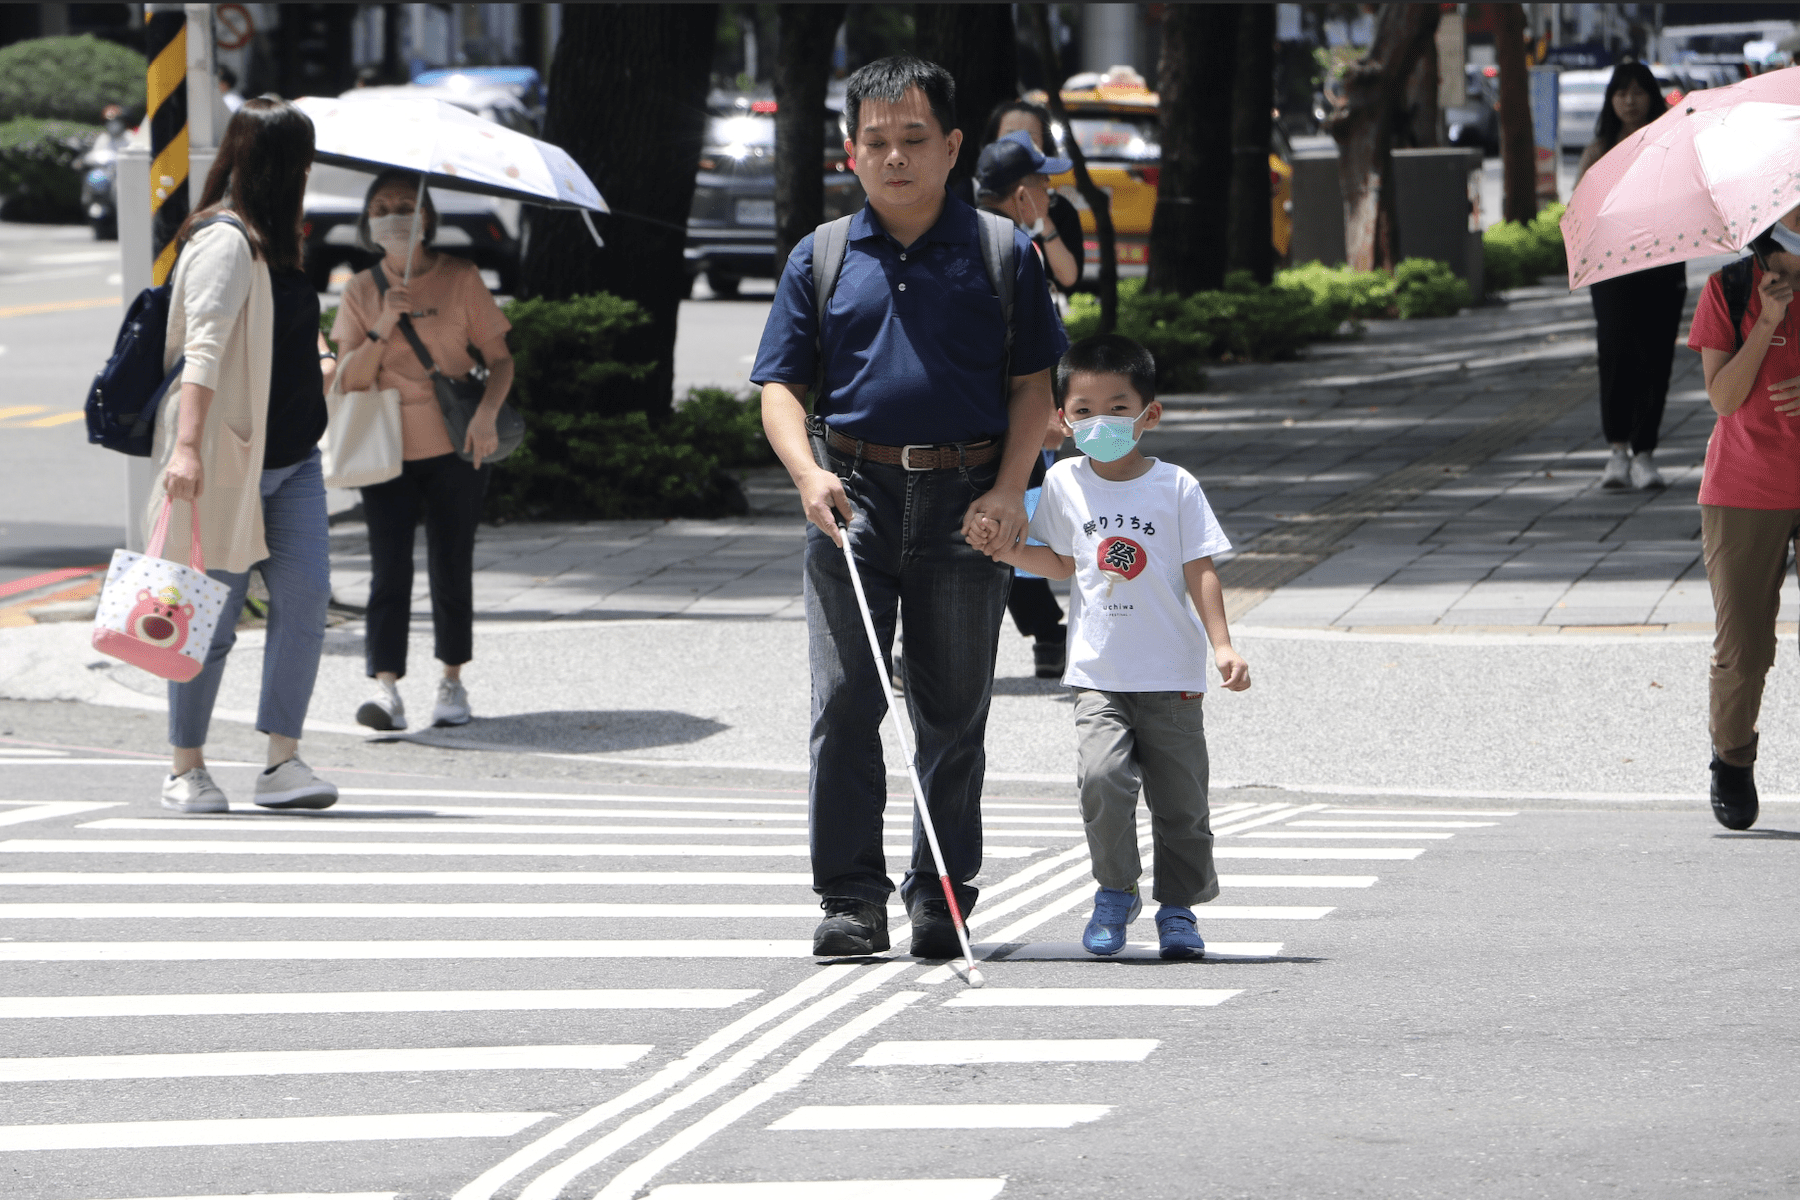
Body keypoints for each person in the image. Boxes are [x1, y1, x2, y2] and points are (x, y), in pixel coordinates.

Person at [753, 55, 1068, 958]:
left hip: (969, 501)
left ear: (953, 146)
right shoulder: (820, 255)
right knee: (847, 701)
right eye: (877, 142)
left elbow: (1032, 389)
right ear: (851, 153)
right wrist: (808, 475)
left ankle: (941, 890)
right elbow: (780, 387)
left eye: (915, 140)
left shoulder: (1000, 252)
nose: (896, 158)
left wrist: (1011, 491)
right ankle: (851, 898)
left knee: (955, 706)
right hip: (851, 498)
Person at [981, 333, 1249, 958]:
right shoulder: (1064, 483)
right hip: (1098, 672)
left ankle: (1178, 909)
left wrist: (1223, 645)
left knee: (1180, 801)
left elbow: (1199, 567)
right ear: (1063, 420)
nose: (1101, 421)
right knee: (1102, 779)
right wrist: (1006, 549)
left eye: (1118, 407)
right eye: (1084, 410)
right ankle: (1115, 889)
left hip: (1172, 673)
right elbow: (1059, 562)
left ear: (1149, 414)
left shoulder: (1175, 487)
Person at [152, 98, 338, 814]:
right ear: (281, 165)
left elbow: (294, 332)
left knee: (304, 603)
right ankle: (186, 767)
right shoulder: (225, 241)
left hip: (294, 461)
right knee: (207, 618)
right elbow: (200, 354)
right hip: (228, 463)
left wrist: (322, 355)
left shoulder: (279, 239)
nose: (309, 173)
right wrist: (189, 450)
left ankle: (281, 763)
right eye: (303, 161)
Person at [331, 170, 516, 732]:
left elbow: (500, 357)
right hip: (384, 450)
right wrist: (385, 320)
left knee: (451, 564)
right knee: (389, 571)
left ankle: (452, 682)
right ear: (368, 222)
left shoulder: (461, 278)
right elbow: (349, 378)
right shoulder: (360, 290)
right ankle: (386, 690)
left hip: (458, 445)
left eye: (406, 205)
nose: (394, 215)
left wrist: (487, 413)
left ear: (428, 217)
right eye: (382, 207)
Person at [1687, 209, 1800, 832]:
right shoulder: (1729, 288)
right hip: (1745, 487)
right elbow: (1724, 399)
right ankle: (1731, 760)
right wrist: (1769, 323)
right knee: (1745, 648)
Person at [976, 130, 1078, 678]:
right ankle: (1047, 635)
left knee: (1000, 530)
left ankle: (1048, 634)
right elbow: (1031, 357)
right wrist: (1043, 421)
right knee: (1003, 527)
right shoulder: (1013, 252)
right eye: (1041, 183)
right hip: (1008, 426)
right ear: (1020, 196)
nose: (1047, 193)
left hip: (974, 425)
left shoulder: (960, 241)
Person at [1576, 61, 1684, 490]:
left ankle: (1645, 453)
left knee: (1656, 357)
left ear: (1651, 97)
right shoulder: (1599, 148)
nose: (1630, 100)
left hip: (1660, 266)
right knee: (1616, 352)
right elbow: (1582, 211)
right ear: (1611, 100)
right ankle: (1617, 450)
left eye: (1638, 92)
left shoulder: (1668, 145)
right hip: (1612, 268)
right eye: (1621, 92)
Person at [982, 100, 1083, 293]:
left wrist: (1043, 219)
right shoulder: (967, 201)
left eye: (1031, 139)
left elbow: (1068, 279)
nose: (1021, 146)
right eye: (1010, 136)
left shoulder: (1059, 210)